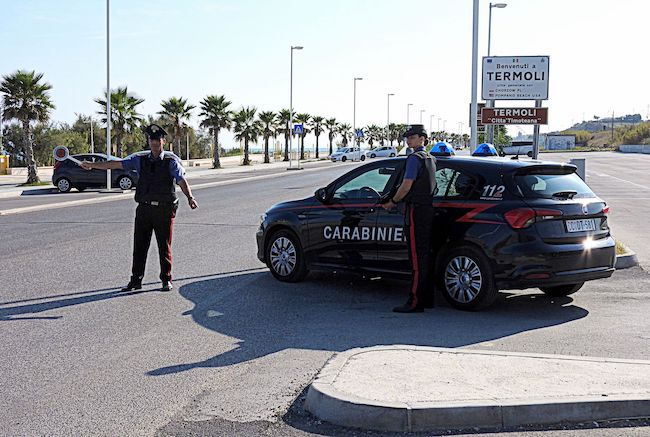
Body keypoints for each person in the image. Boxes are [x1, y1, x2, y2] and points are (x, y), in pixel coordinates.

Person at [80, 124, 198, 291]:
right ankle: (136, 281)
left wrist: (190, 197)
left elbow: (181, 180)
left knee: (164, 246)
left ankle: (166, 279)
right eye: (152, 140)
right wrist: (93, 165)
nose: (155, 143)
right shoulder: (140, 160)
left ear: (163, 141)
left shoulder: (171, 162)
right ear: (148, 142)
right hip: (144, 209)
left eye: (158, 140)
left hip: (164, 210)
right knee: (139, 246)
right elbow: (117, 164)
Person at [382, 124, 437, 313]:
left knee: (416, 258)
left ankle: (415, 301)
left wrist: (392, 201)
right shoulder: (431, 158)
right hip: (428, 209)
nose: (408, 140)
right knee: (425, 255)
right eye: (407, 137)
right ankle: (427, 298)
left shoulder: (414, 158)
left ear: (422, 138)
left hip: (416, 210)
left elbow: (406, 185)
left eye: (412, 137)